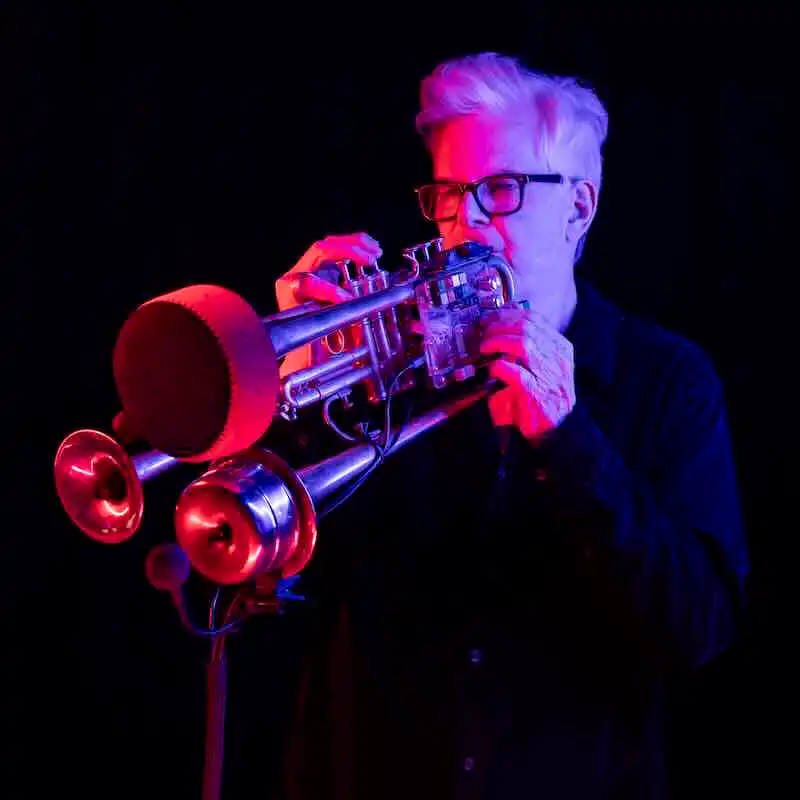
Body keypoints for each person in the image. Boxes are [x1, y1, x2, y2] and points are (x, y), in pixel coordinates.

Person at [267, 52, 749, 800]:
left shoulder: (669, 382)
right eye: (450, 195)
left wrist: (569, 437)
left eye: (499, 189)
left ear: (580, 206)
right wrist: (295, 383)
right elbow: (282, 585)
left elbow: (697, 627)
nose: (467, 225)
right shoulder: (389, 369)